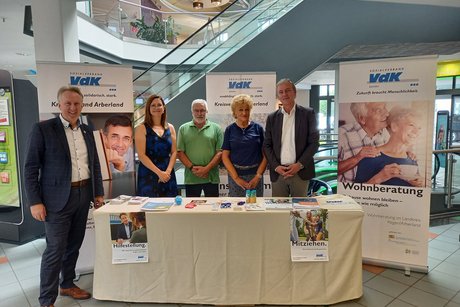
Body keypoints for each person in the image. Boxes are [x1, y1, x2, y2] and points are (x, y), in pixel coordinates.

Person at [24, 86, 104, 307]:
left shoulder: (88, 130)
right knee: (54, 250)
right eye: (67, 103)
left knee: (74, 245)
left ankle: (67, 284)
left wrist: (98, 194)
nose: (72, 107)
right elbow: (30, 168)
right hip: (55, 200)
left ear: (82, 105)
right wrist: (35, 201)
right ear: (58, 105)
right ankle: (46, 300)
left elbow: (95, 165)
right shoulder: (43, 129)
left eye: (76, 103)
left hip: (83, 194)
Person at [263, 78, 319, 197]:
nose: (284, 94)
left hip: (300, 172)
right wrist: (276, 166)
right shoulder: (272, 118)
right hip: (279, 173)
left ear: (294, 93)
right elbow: (267, 145)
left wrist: (299, 165)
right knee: (279, 212)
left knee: (299, 212)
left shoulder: (308, 114)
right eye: (281, 92)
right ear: (278, 95)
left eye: (287, 90)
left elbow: (314, 143)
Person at [354, 106, 423, 186]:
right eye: (411, 125)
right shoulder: (371, 156)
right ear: (394, 126)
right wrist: (379, 178)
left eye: (419, 128)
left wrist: (417, 185)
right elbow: (357, 193)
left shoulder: (412, 159)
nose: (416, 132)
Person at [221, 94, 267, 197]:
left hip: (255, 176)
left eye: (247, 109)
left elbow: (265, 155)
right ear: (234, 112)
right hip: (235, 177)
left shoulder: (258, 128)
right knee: (237, 209)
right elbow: (225, 156)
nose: (244, 112)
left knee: (255, 208)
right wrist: (236, 178)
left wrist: (258, 176)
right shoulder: (229, 130)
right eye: (240, 110)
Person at [177, 99, 223, 197]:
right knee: (192, 210)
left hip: (211, 177)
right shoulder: (183, 128)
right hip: (191, 178)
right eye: (196, 110)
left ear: (207, 111)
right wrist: (193, 168)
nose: (199, 113)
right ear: (192, 112)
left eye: (202, 110)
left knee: (212, 209)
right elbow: (180, 152)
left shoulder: (216, 128)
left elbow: (219, 152)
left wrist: (206, 169)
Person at [135, 95, 177, 197]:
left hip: (168, 174)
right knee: (148, 209)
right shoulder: (141, 128)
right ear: (148, 109)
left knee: (170, 207)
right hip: (148, 174)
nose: (156, 108)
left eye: (159, 105)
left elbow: (174, 152)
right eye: (153, 105)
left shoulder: (170, 128)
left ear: (163, 108)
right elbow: (141, 155)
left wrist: (167, 172)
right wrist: (159, 173)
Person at [338, 102, 390, 182]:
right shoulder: (342, 135)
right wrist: (357, 158)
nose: (387, 113)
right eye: (379, 110)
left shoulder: (385, 132)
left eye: (385, 108)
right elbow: (330, 170)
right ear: (362, 119)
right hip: (349, 192)